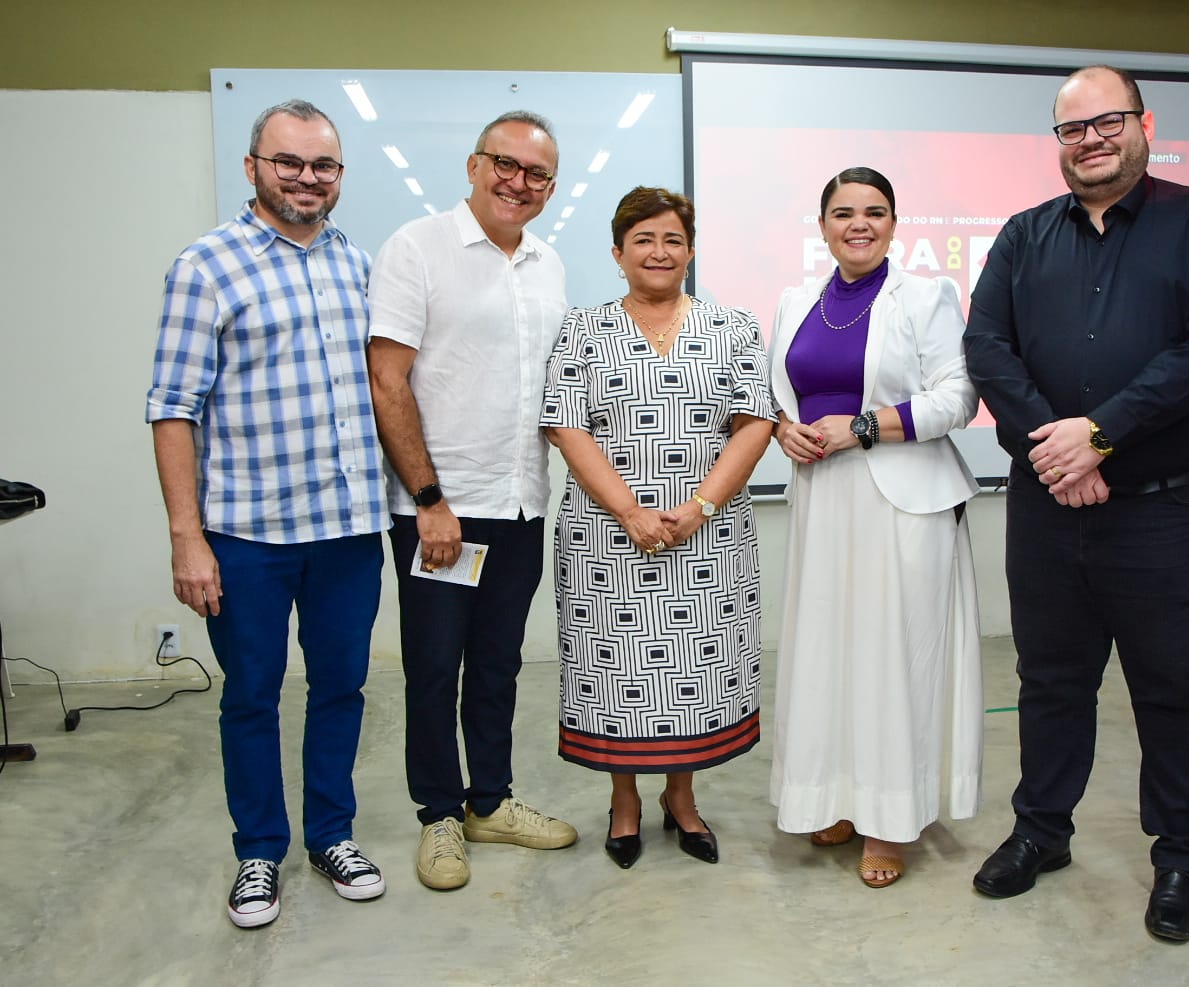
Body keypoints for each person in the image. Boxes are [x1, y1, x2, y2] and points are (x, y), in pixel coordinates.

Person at [963, 65, 1189, 942]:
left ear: (1143, 124)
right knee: (1048, 677)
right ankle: (1040, 831)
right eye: (1072, 129)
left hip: (1168, 508)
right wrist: (1057, 451)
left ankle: (1180, 856)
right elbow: (986, 346)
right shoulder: (1023, 237)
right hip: (1047, 505)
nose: (1090, 140)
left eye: (1107, 123)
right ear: (1056, 142)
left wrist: (1100, 432)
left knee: (1172, 684)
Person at [147, 99, 388, 929]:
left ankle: (331, 833)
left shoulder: (359, 265)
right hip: (246, 536)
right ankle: (258, 851)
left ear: (339, 177)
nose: (306, 178)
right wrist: (188, 537)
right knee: (251, 693)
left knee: (341, 687)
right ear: (252, 165)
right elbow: (171, 406)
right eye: (288, 161)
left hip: (349, 532)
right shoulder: (205, 265)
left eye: (323, 165)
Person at [367, 110, 577, 892]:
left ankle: (489, 800)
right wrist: (428, 499)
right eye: (506, 165)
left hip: (521, 502)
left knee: (497, 664)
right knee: (433, 666)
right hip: (442, 509)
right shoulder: (416, 248)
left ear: (550, 189)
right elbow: (388, 382)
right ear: (473, 164)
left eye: (537, 175)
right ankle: (438, 816)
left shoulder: (549, 263)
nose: (519, 184)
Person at [541, 187, 774, 869]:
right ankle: (623, 802)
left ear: (691, 250)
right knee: (616, 670)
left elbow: (754, 420)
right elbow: (565, 422)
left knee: (694, 673)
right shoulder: (582, 326)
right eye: (642, 238)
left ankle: (681, 797)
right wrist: (631, 511)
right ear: (617, 253)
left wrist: (700, 505)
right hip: (605, 537)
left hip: (710, 533)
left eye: (672, 238)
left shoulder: (733, 325)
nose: (659, 251)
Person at [767, 167, 983, 889]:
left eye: (874, 211)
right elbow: (787, 395)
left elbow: (957, 398)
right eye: (842, 212)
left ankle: (890, 819)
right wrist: (782, 431)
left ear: (893, 223)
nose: (857, 224)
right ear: (822, 225)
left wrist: (863, 426)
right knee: (829, 654)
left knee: (895, 659)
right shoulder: (796, 299)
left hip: (902, 501)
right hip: (823, 500)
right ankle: (835, 799)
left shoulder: (925, 296)